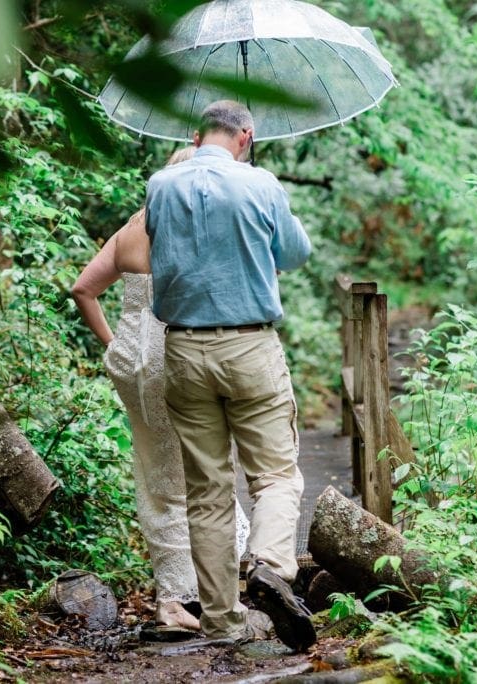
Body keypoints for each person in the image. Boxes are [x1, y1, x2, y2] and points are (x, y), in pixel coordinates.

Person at [145, 100, 316, 651]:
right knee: (276, 476)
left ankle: (222, 622)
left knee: (208, 492)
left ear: (199, 136)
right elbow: (294, 254)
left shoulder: (161, 185)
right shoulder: (261, 183)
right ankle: (268, 566)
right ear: (246, 135)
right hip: (249, 346)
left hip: (184, 350)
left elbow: (156, 248)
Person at [72, 148, 250, 632]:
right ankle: (192, 597)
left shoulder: (132, 228)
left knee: (157, 470)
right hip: (178, 357)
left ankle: (180, 592)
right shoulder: (192, 230)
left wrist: (116, 348)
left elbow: (83, 290)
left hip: (133, 363)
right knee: (201, 467)